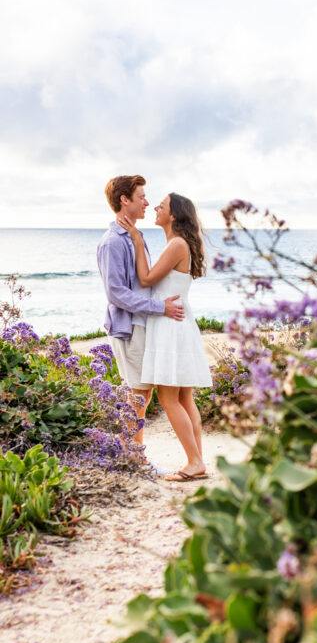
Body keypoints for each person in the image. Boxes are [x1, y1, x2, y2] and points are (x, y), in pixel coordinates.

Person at [121, 192, 212, 482]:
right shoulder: (178, 244)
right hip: (178, 323)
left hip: (170, 326)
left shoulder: (176, 244)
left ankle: (195, 462)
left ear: (173, 215)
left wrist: (135, 238)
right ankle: (197, 459)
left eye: (162, 205)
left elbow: (147, 279)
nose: (156, 208)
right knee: (185, 397)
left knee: (169, 396)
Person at [97, 175, 185, 449]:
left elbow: (143, 281)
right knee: (138, 394)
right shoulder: (112, 241)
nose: (147, 202)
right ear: (125, 200)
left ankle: (132, 453)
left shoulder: (135, 237)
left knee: (141, 394)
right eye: (141, 197)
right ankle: (132, 455)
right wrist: (161, 307)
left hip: (141, 325)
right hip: (128, 326)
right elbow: (116, 293)